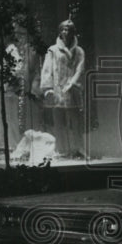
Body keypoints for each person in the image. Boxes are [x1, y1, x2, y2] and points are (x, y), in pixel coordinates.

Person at [40, 19, 86, 158]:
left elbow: (80, 69)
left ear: (73, 32)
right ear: (60, 31)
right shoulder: (52, 50)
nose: (66, 32)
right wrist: (48, 89)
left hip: (73, 90)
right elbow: (47, 69)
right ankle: (61, 150)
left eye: (69, 29)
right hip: (57, 91)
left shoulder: (79, 51)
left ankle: (78, 149)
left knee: (76, 122)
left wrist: (72, 84)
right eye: (64, 29)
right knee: (58, 122)